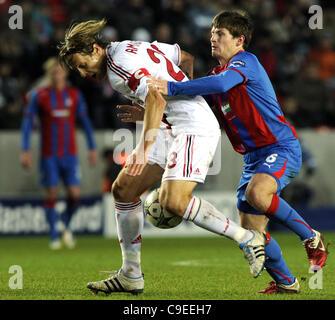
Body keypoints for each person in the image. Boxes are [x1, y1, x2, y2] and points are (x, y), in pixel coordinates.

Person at [58, 19, 267, 295]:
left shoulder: (118, 69)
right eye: (78, 71)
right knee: (123, 190)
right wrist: (175, 102)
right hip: (170, 125)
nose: (84, 74)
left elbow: (156, 98)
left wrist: (144, 148)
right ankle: (131, 274)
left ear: (95, 49)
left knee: (174, 201)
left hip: (193, 127)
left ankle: (247, 238)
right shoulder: (128, 47)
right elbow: (185, 58)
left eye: (82, 65)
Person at [147, 10, 328, 294]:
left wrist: (170, 86)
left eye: (220, 33)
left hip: (279, 146)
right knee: (254, 235)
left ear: (239, 40)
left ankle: (311, 238)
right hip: (253, 158)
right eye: (212, 33)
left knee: (258, 195)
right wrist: (156, 116)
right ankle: (286, 282)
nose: (213, 38)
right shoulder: (215, 75)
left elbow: (219, 85)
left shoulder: (246, 61)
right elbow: (198, 112)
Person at [21, 57, 97, 250]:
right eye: (53, 72)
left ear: (65, 73)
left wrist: (92, 148)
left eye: (60, 71)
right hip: (49, 155)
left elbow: (85, 123)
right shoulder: (40, 96)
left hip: (70, 155)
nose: (57, 75)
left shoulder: (74, 94)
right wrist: (25, 150)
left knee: (74, 194)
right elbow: (28, 123)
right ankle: (54, 234)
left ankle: (64, 222)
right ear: (49, 75)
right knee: (52, 194)